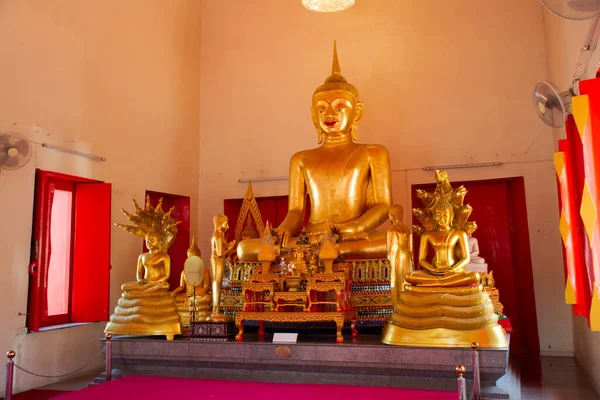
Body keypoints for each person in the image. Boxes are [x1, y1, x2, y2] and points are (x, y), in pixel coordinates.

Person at [237, 41, 392, 261]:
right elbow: (296, 212)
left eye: (340, 107)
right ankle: (315, 253)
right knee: (245, 248)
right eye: (322, 108)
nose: (330, 114)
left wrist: (355, 228)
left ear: (357, 113)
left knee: (389, 243)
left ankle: (326, 252)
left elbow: (383, 205)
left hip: (353, 236)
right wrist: (283, 231)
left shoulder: (373, 153)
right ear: (313, 115)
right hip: (310, 238)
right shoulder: (301, 159)